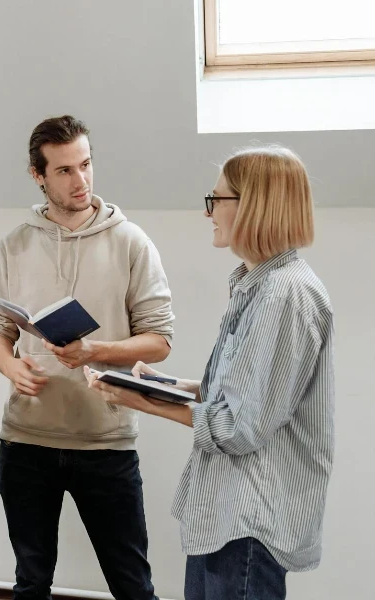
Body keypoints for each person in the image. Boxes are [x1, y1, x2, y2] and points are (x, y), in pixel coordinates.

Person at [85, 145, 335, 600]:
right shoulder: (256, 284)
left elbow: (240, 427)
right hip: (225, 514)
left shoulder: (286, 296)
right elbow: (242, 395)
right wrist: (162, 385)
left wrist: (137, 401)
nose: (209, 213)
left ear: (253, 204)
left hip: (248, 523)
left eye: (216, 200)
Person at [0, 115, 174, 600]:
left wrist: (96, 351)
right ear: (38, 175)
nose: (80, 180)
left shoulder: (131, 241)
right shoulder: (13, 245)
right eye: (65, 170)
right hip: (25, 443)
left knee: (133, 586)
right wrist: (10, 366)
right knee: (31, 584)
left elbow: (159, 340)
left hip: (106, 444)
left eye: (85, 164)